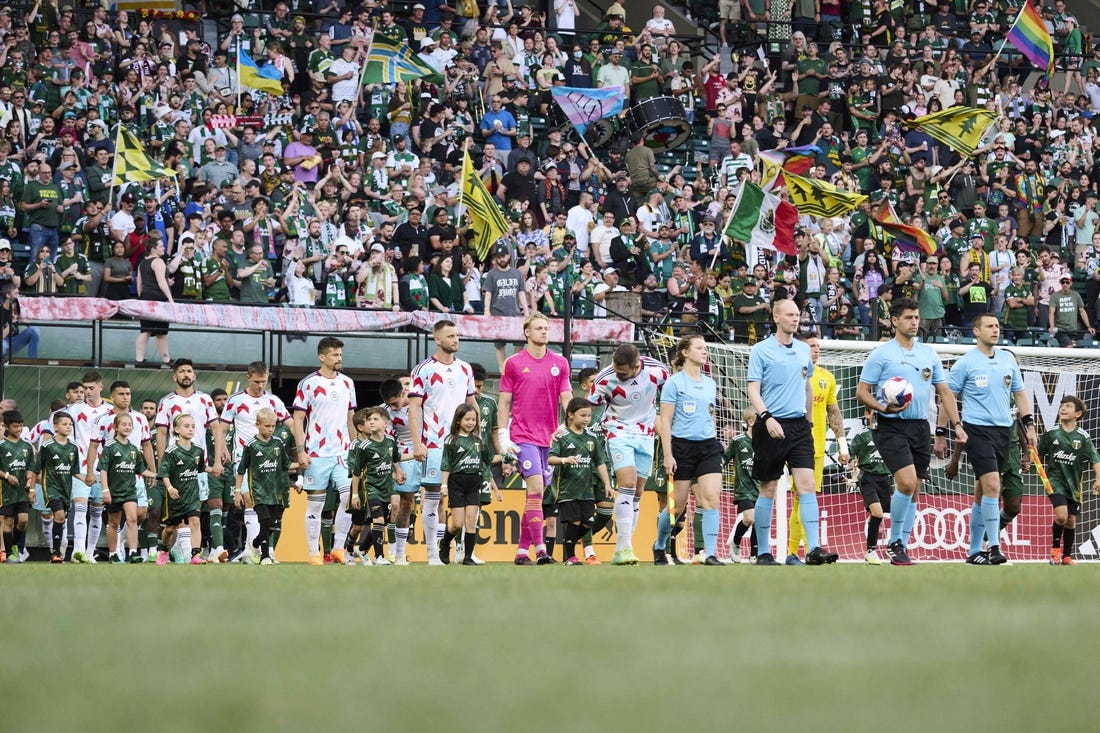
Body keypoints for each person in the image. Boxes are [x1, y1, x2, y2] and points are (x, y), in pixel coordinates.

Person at [856, 298, 965, 566]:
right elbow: (862, 391)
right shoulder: (881, 354)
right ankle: (894, 542)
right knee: (905, 482)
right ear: (894, 321)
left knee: (914, 488)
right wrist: (882, 407)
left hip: (919, 426)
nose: (914, 322)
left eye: (916, 317)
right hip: (890, 425)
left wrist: (956, 425)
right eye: (908, 317)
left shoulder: (929, 354)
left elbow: (945, 392)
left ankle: (901, 546)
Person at [747, 299, 839, 566]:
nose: (795, 318)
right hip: (770, 425)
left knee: (807, 485)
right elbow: (753, 389)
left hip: (799, 427)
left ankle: (814, 549)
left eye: (797, 314)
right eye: (789, 314)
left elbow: (807, 387)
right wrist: (766, 418)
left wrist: (808, 422)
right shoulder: (761, 350)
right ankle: (763, 552)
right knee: (768, 488)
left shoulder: (802, 350)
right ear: (776, 317)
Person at [942, 314, 1035, 565]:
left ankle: (974, 551)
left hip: (1004, 432)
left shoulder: (1007, 359)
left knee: (983, 492)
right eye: (990, 326)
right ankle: (994, 547)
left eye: (997, 326)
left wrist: (1030, 425)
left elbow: (1020, 394)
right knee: (993, 485)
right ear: (976, 331)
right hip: (977, 430)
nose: (995, 330)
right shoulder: (965, 363)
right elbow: (948, 397)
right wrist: (946, 430)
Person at [498, 312, 573, 565]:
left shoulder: (560, 363)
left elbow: (566, 397)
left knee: (535, 496)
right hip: (523, 436)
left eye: (546, 328)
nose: (544, 332)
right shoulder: (513, 363)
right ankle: (541, 550)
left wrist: (568, 424)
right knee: (537, 489)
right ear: (527, 332)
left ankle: (522, 551)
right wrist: (503, 434)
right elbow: (504, 402)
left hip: (549, 439)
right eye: (539, 328)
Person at [587, 342, 669, 565]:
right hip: (617, 431)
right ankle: (625, 548)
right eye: (616, 370)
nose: (618, 375)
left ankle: (622, 548)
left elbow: (670, 396)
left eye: (623, 373)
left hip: (646, 434)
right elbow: (588, 405)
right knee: (628, 483)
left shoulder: (658, 371)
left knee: (638, 491)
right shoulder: (604, 379)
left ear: (637, 366)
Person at [408, 320, 477, 565]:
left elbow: (472, 404)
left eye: (457, 335)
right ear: (437, 339)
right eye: (450, 336)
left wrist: (478, 438)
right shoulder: (423, 370)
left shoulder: (465, 369)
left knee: (469, 499)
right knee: (433, 497)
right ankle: (431, 553)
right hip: (435, 444)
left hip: (464, 445)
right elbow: (414, 408)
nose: (455, 339)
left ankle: (465, 551)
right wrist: (417, 443)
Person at [656, 334, 724, 565]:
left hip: (708, 447)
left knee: (711, 498)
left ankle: (710, 553)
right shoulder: (674, 383)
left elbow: (710, 415)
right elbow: (665, 421)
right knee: (676, 507)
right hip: (681, 447)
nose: (705, 351)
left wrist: (715, 439)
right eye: (699, 348)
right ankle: (659, 545)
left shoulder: (710, 383)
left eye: (705, 348)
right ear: (685, 352)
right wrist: (668, 455)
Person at [215, 361, 293, 562]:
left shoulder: (273, 401)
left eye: (264, 381)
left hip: (270, 461)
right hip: (244, 457)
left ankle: (266, 548)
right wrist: (222, 450)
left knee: (271, 505)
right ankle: (251, 550)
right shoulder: (236, 400)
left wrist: (302, 447)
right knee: (249, 499)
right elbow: (222, 428)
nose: (260, 385)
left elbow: (291, 423)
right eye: (257, 381)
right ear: (248, 377)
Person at [292, 336, 357, 565]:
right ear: (322, 357)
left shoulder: (347, 383)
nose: (339, 358)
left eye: (340, 354)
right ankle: (313, 553)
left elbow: (350, 418)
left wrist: (355, 448)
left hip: (342, 453)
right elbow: (298, 419)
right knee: (316, 504)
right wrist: (301, 451)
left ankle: (338, 548)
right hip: (316, 453)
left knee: (349, 497)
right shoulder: (308, 383)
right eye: (335, 354)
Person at [786, 332, 848, 565]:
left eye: (817, 345)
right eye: (811, 345)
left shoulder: (826, 377)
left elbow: (834, 412)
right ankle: (801, 551)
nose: (817, 349)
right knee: (801, 497)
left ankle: (796, 553)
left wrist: (842, 445)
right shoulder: (793, 373)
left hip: (818, 448)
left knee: (803, 498)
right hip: (794, 445)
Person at [154, 359, 223, 560]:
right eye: (182, 371)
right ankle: (169, 549)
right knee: (174, 521)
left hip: (198, 466)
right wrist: (162, 467)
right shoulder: (167, 402)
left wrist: (217, 461)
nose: (186, 374)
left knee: (195, 513)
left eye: (189, 371)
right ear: (174, 376)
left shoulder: (205, 400)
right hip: (175, 468)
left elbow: (216, 428)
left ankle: (191, 554)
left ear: (194, 375)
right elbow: (161, 433)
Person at [85, 380, 156, 562]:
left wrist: (153, 471)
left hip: (134, 475)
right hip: (113, 477)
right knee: (114, 520)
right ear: (112, 396)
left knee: (140, 514)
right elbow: (93, 447)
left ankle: (127, 546)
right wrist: (90, 471)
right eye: (121, 394)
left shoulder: (140, 418)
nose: (125, 397)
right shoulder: (103, 419)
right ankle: (115, 551)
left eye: (128, 394)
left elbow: (146, 445)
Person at [1037, 396, 1100, 566]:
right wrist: (1029, 461)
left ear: (1077, 414)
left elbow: (1095, 459)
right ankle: (1055, 550)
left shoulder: (1083, 437)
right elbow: (1038, 454)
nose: (1063, 408)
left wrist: (1098, 478)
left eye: (1068, 406)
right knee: (1061, 516)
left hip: (1074, 485)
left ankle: (1066, 556)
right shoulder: (1051, 434)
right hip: (1054, 482)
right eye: (1061, 405)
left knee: (1071, 520)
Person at [549, 397, 612, 565]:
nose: (587, 419)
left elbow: (599, 462)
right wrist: (564, 460)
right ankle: (570, 557)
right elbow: (550, 459)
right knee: (574, 522)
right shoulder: (562, 436)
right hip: (567, 489)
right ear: (571, 415)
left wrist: (607, 483)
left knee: (588, 522)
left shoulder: (591, 437)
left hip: (586, 490)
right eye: (583, 415)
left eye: (589, 416)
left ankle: (568, 545)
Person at [235, 408, 294, 566]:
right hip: (258, 491)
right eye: (267, 426)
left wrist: (302, 464)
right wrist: (238, 491)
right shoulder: (252, 445)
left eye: (273, 426)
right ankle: (265, 556)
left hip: (274, 492)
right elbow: (241, 470)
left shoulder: (278, 443)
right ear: (257, 425)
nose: (270, 429)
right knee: (265, 520)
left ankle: (255, 544)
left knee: (271, 526)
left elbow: (286, 465)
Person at [439, 403, 497, 565]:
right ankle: (445, 543)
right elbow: (446, 464)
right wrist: (444, 485)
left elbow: (489, 459)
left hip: (474, 482)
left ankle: (467, 557)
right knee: (457, 524)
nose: (471, 423)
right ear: (458, 420)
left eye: (473, 420)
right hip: (456, 482)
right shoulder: (451, 440)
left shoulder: (478, 441)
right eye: (467, 419)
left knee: (471, 521)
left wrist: (505, 456)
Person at [65, 372, 111, 564]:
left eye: (92, 388)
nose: (88, 392)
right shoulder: (74, 410)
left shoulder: (110, 411)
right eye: (85, 389)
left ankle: (90, 553)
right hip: (80, 467)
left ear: (101, 387)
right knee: (80, 507)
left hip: (102, 468)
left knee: (97, 511)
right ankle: (78, 551)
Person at [98, 413, 155, 563]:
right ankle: (113, 554)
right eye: (124, 424)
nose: (127, 427)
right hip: (114, 491)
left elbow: (141, 470)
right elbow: (103, 469)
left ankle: (133, 553)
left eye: (130, 425)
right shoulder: (109, 447)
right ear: (115, 427)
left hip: (130, 491)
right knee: (114, 522)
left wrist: (158, 475)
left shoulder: (133, 448)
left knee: (132, 519)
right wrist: (105, 490)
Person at [155, 414, 208, 565]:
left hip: (192, 495)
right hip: (175, 497)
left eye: (193, 426)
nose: (191, 429)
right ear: (177, 429)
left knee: (195, 522)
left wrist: (214, 470)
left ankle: (195, 555)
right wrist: (170, 487)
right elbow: (163, 472)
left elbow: (200, 468)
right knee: (170, 529)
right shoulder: (171, 451)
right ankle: (164, 550)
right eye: (186, 426)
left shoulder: (198, 450)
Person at [380, 377, 419, 565]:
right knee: (404, 503)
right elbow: (388, 444)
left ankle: (437, 552)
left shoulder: (419, 403)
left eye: (395, 403)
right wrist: (396, 469)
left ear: (403, 393)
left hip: (426, 452)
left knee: (437, 501)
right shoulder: (384, 413)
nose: (393, 407)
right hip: (404, 457)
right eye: (390, 404)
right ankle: (398, 553)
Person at [848, 408, 893, 565]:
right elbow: (849, 455)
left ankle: (896, 546)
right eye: (875, 412)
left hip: (885, 479)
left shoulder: (890, 436)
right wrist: (846, 460)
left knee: (881, 514)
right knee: (878, 513)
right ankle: (870, 551)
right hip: (868, 478)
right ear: (867, 415)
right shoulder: (863, 435)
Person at [36, 411, 79, 563]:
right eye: (65, 424)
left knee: (61, 519)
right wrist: (32, 489)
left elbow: (74, 471)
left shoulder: (73, 447)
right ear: (55, 426)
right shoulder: (48, 446)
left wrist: (87, 480)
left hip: (66, 489)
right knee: (59, 515)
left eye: (71, 424)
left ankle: (56, 553)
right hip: (51, 487)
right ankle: (56, 553)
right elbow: (37, 467)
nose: (68, 427)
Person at [723, 408, 758, 562]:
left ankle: (754, 554)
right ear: (750, 422)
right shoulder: (738, 441)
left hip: (760, 487)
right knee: (749, 518)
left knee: (758, 521)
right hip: (743, 488)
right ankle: (736, 541)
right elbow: (725, 458)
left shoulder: (765, 442)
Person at [0, 410, 35, 563]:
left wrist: (30, 481)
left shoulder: (26, 445)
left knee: (23, 521)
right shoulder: (2, 445)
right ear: (6, 426)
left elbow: (31, 467)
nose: (19, 429)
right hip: (6, 490)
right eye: (15, 426)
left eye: (21, 426)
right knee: (8, 521)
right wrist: (7, 476)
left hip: (22, 491)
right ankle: (9, 554)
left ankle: (14, 545)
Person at [134, 237, 174, 366]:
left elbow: (139, 284)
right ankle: (166, 360)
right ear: (153, 249)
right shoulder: (158, 261)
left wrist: (141, 298)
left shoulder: (142, 264)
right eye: (161, 246)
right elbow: (161, 281)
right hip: (158, 299)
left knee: (145, 330)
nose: (163, 248)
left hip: (145, 298)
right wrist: (170, 298)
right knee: (162, 332)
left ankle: (139, 359)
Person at [0, 284, 40, 361]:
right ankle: (3, 362)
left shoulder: (16, 308)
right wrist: (13, 322)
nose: (19, 296)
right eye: (16, 293)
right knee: (2, 345)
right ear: (8, 295)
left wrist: (21, 319)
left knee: (35, 330)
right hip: (4, 342)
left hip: (15, 341)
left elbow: (32, 327)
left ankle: (32, 361)